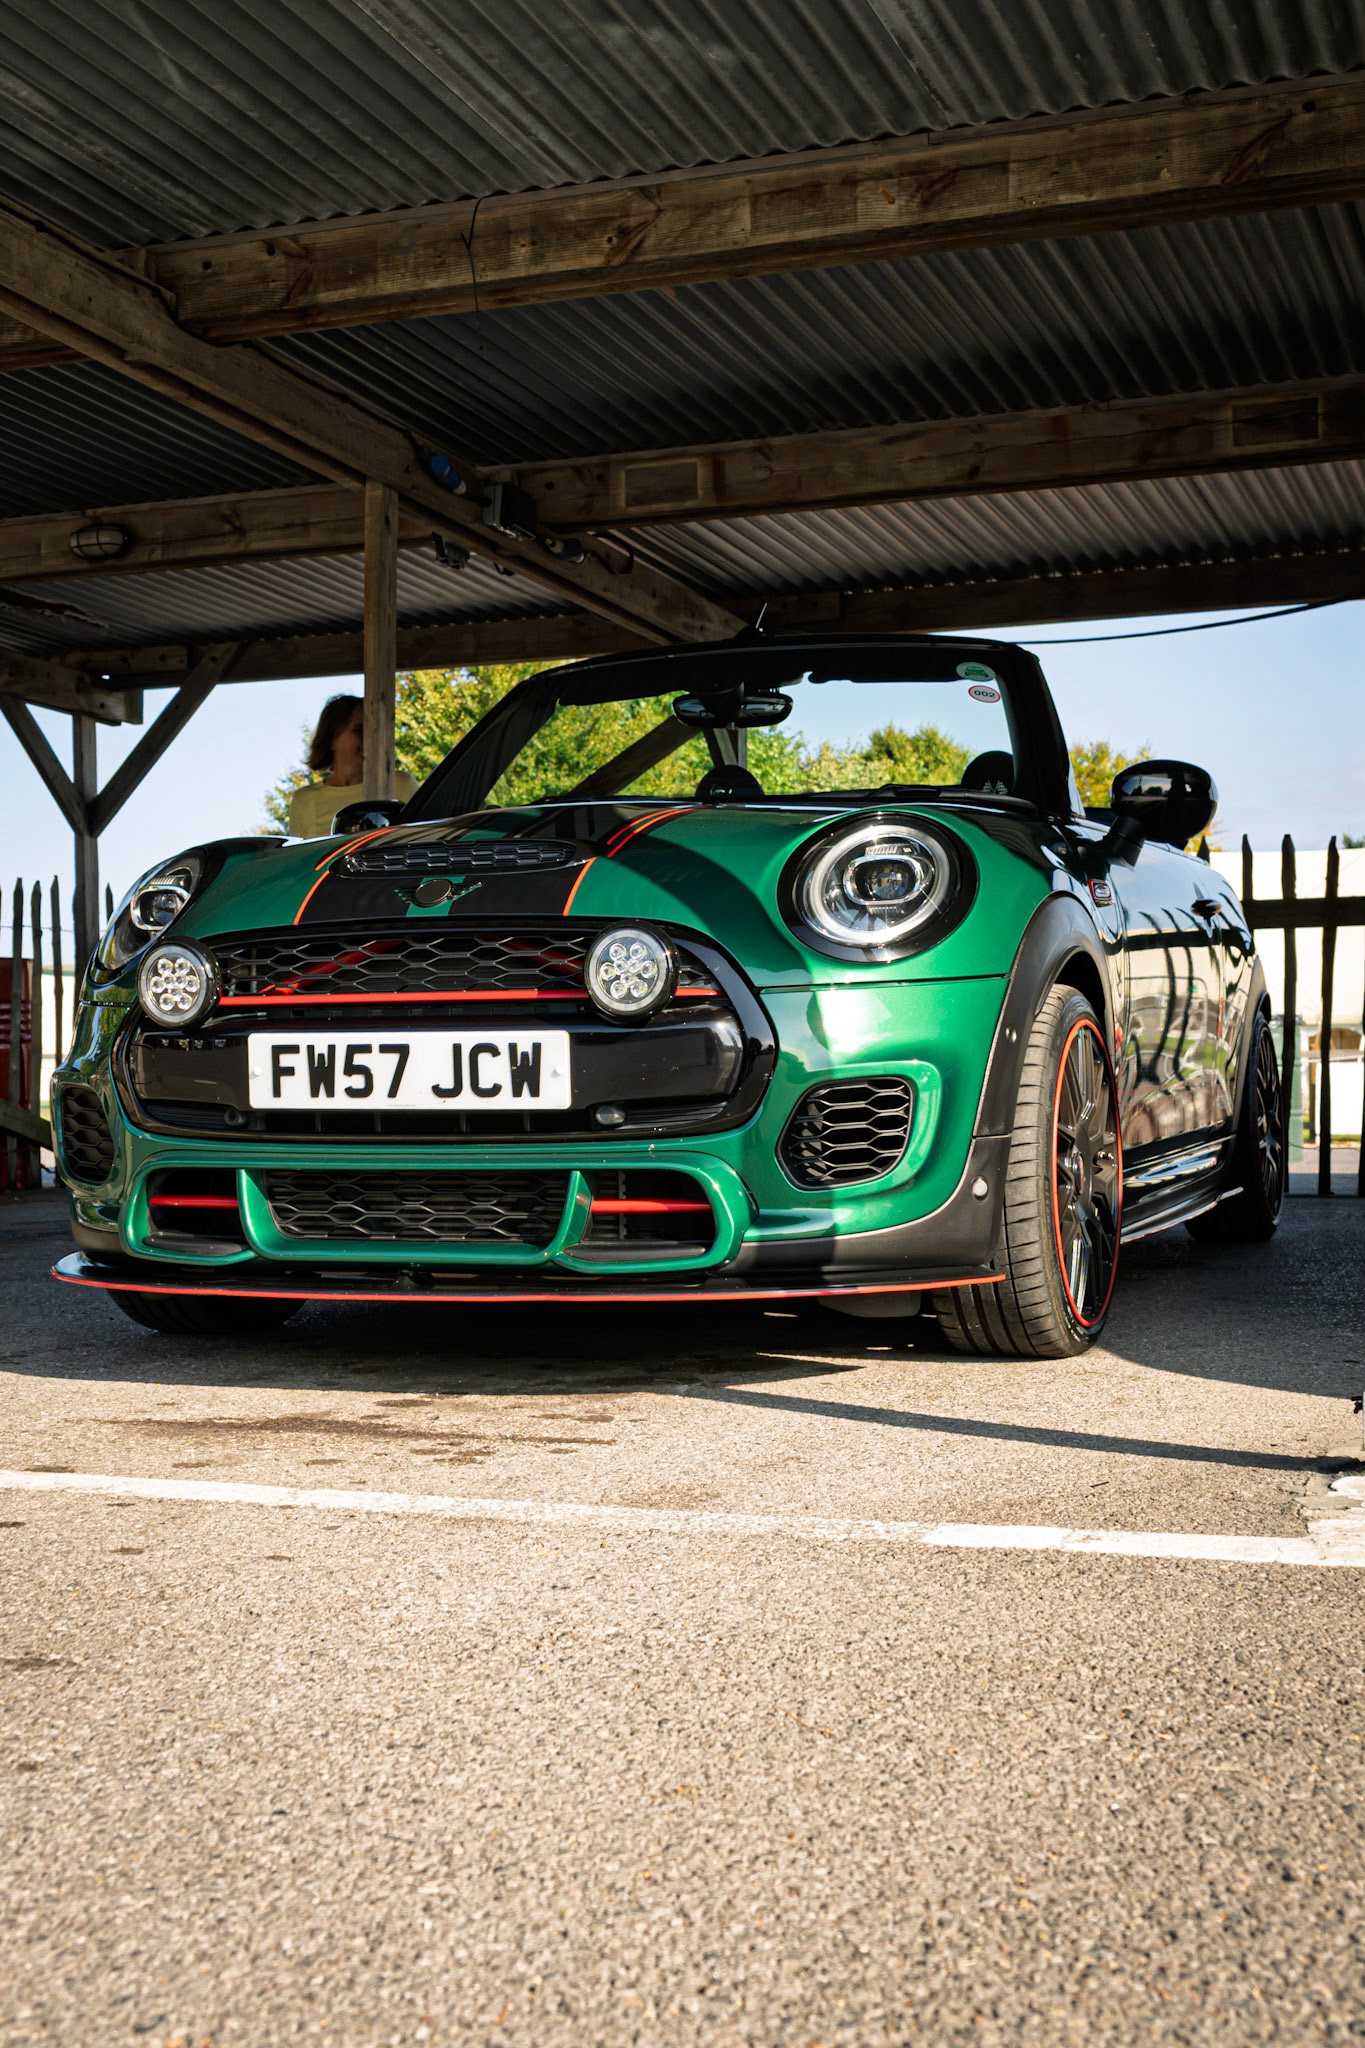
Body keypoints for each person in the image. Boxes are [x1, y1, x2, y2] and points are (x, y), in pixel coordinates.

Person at [287, 694, 417, 838]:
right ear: (331, 739)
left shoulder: (402, 783)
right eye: (359, 730)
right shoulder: (304, 800)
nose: (369, 737)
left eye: (373, 731)